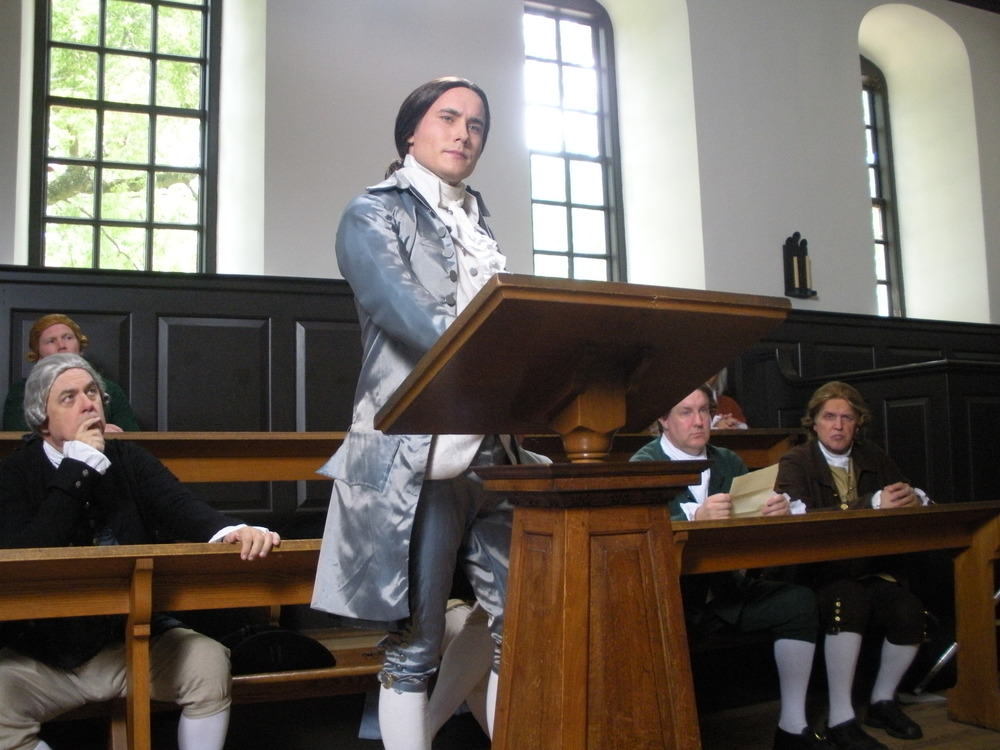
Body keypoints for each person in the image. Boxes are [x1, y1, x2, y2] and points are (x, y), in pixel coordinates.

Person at [311, 77, 530, 750]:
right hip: (415, 450)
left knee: (517, 626)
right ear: (413, 132)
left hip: (496, 450)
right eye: (449, 118)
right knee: (416, 641)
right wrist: (521, 363)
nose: (464, 132)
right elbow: (414, 318)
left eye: (477, 125)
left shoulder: (478, 222)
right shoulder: (370, 213)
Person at [0, 353, 281, 750]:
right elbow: (22, 559)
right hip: (45, 655)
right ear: (42, 420)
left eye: (92, 392)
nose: (88, 403)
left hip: (132, 640)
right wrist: (77, 471)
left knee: (207, 663)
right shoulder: (15, 472)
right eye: (69, 397)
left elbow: (184, 508)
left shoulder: (129, 459)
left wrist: (232, 531)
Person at [631, 386, 834, 750]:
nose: (698, 421)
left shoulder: (728, 460)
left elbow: (749, 535)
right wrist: (695, 518)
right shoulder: (642, 465)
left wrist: (772, 513)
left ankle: (792, 728)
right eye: (685, 412)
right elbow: (639, 534)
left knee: (799, 602)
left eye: (704, 411)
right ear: (662, 420)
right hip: (670, 603)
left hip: (727, 595)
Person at [776, 380, 929, 750]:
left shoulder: (873, 455)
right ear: (813, 422)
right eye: (829, 417)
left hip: (868, 566)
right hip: (819, 571)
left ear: (858, 423)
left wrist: (912, 497)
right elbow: (798, 518)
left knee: (908, 610)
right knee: (849, 599)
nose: (838, 426)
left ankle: (881, 701)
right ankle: (841, 716)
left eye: (847, 418)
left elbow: (903, 491)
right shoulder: (796, 460)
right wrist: (870, 504)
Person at [3, 314, 140, 432]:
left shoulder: (110, 389)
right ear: (38, 354)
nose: (62, 345)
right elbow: (17, 438)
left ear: (80, 347)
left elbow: (132, 438)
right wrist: (91, 429)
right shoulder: (23, 390)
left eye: (68, 338)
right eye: (51, 341)